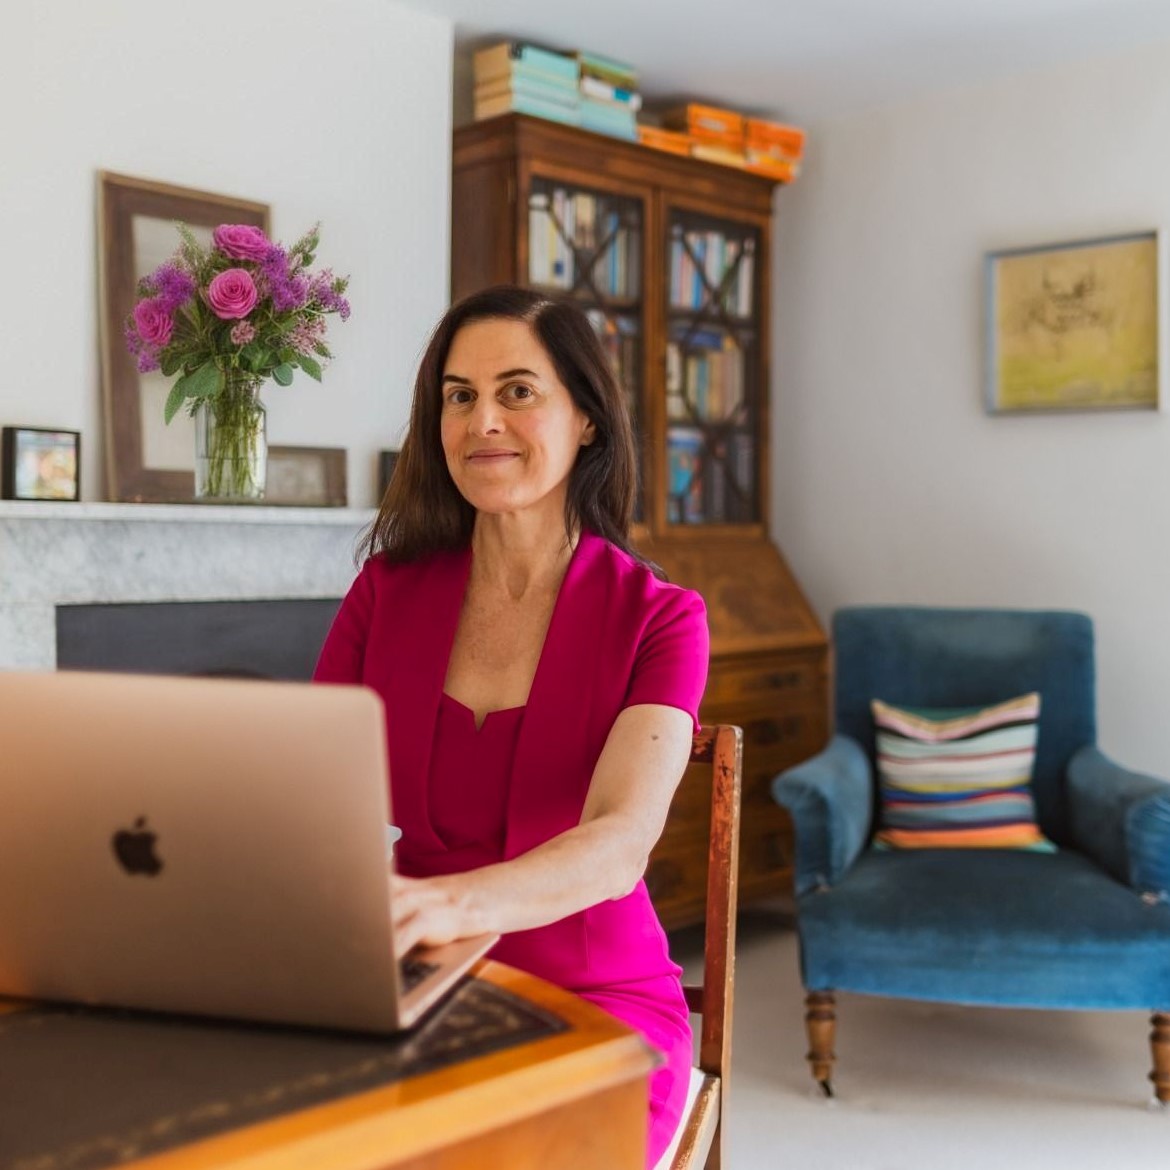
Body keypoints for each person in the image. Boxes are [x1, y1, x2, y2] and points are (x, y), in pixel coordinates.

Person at [314, 285, 709, 1167]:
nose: (482, 420)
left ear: (587, 419)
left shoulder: (661, 618)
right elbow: (313, 796)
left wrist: (449, 904)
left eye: (517, 391)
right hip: (403, 982)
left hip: (591, 999)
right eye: (459, 395)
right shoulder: (385, 591)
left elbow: (620, 842)